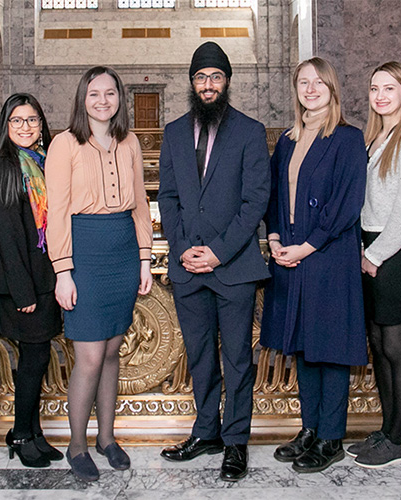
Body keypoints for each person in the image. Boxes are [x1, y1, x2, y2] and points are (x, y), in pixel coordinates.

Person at [157, 42, 270, 481]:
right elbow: (168, 197)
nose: (207, 85)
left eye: (215, 77)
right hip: (188, 265)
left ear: (226, 82)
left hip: (234, 266)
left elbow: (256, 199)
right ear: (192, 83)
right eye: (200, 78)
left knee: (238, 358)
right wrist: (183, 246)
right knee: (200, 356)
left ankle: (236, 441)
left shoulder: (249, 130)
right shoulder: (173, 132)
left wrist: (219, 251)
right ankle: (206, 432)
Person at [260, 57, 367, 474]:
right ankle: (309, 428)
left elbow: (347, 204)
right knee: (304, 345)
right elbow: (274, 195)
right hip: (289, 255)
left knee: (331, 349)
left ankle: (331, 437)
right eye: (303, 82)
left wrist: (305, 247)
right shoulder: (288, 139)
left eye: (319, 82)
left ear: (332, 88)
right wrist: (273, 238)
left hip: (329, 256)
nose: (311, 88)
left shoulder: (347, 138)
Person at [45, 66, 153, 481]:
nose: (103, 101)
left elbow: (140, 203)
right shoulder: (64, 143)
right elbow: (56, 212)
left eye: (110, 93)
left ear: (119, 99)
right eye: (94, 94)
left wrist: (144, 258)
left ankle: (107, 438)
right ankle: (77, 444)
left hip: (123, 249)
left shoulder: (130, 142)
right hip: (84, 250)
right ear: (82, 98)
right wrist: (63, 270)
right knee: (89, 356)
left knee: (111, 352)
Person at [348, 61, 401, 468]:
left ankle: (398, 438)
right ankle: (386, 430)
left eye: (389, 88)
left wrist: (374, 255)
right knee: (379, 346)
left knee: (397, 347)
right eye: (374, 88)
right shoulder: (374, 138)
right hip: (372, 247)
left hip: (398, 252)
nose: (380, 95)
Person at [0, 93, 63, 467]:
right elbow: (8, 234)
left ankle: (34, 432)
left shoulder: (46, 161)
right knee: (33, 357)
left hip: (45, 276)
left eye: (32, 120)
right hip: (21, 282)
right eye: (17, 120)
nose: (26, 127)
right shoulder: (3, 167)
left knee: (40, 353)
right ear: (5, 125)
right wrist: (22, 291)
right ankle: (19, 433)